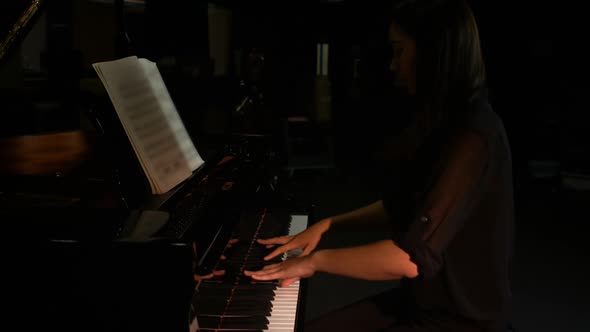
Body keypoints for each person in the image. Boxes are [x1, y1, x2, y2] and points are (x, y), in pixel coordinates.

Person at [244, 0, 514, 331]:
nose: (393, 65)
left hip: (456, 321)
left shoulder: (473, 137)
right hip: (421, 301)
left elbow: (409, 259)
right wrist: (330, 225)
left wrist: (315, 262)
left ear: (433, 53)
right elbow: (403, 207)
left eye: (399, 51)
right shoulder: (445, 124)